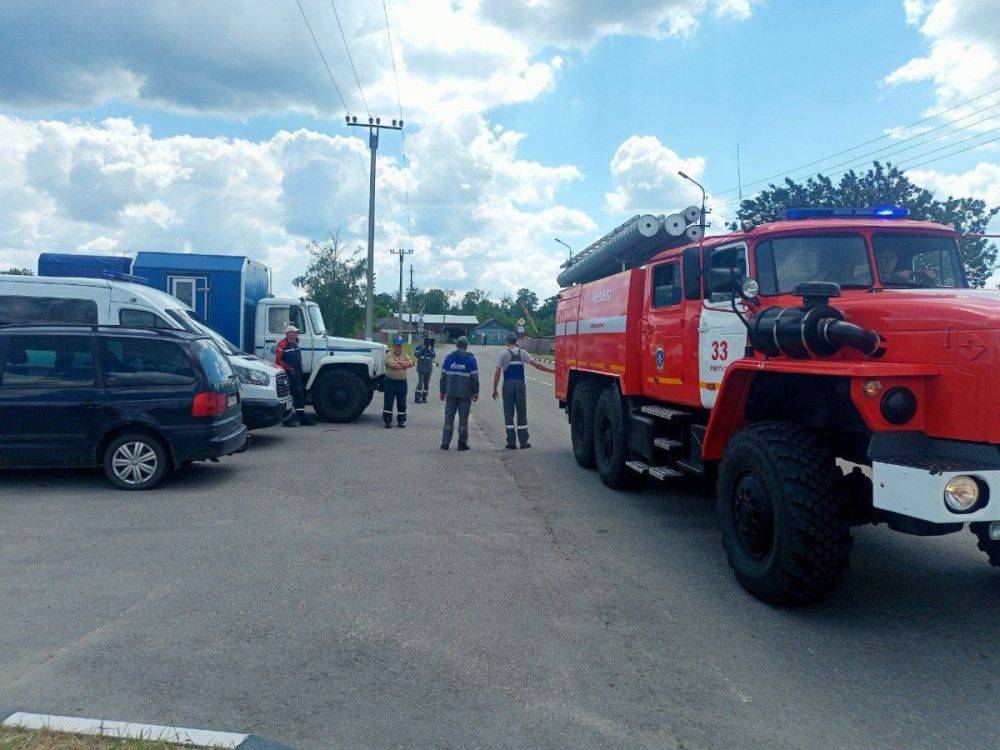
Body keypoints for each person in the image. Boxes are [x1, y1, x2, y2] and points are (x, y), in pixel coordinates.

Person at [492, 333, 554, 449]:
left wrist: (494, 389)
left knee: (508, 412)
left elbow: (497, 373)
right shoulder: (522, 353)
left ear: (507, 342)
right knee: (522, 411)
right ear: (516, 342)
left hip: (508, 385)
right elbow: (536, 365)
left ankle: (511, 442)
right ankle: (524, 442)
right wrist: (550, 371)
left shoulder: (503, 354)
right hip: (520, 384)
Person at [439, 336, 479, 451]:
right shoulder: (471, 360)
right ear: (466, 346)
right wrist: (476, 391)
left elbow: (443, 377)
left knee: (448, 418)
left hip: (450, 393)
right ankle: (462, 444)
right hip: (465, 394)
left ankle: (445, 443)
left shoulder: (449, 358)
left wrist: (442, 391)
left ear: (456, 345)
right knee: (463, 419)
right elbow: (475, 378)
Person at [275, 325, 315, 427]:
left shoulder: (295, 343)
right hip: (288, 373)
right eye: (294, 332)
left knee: (298, 393)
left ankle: (301, 417)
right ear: (288, 333)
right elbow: (278, 360)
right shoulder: (282, 344)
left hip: (296, 373)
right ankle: (287, 419)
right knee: (289, 395)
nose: (296, 334)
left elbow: (298, 357)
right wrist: (289, 368)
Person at [383, 337, 415, 428]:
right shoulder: (389, 355)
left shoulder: (404, 354)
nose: (398, 348)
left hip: (402, 383)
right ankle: (387, 421)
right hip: (390, 382)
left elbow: (411, 363)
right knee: (388, 402)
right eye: (397, 346)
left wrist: (400, 362)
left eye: (400, 346)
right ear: (393, 347)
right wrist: (404, 364)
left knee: (402, 403)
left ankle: (401, 421)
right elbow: (393, 366)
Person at [413, 335, 436, 403]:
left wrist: (429, 348)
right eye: (423, 339)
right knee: (420, 383)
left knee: (426, 383)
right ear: (421, 340)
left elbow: (433, 355)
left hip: (428, 367)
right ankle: (417, 398)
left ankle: (424, 398)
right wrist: (424, 348)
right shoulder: (418, 347)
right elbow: (417, 355)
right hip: (421, 367)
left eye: (425, 340)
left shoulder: (430, 347)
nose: (424, 341)